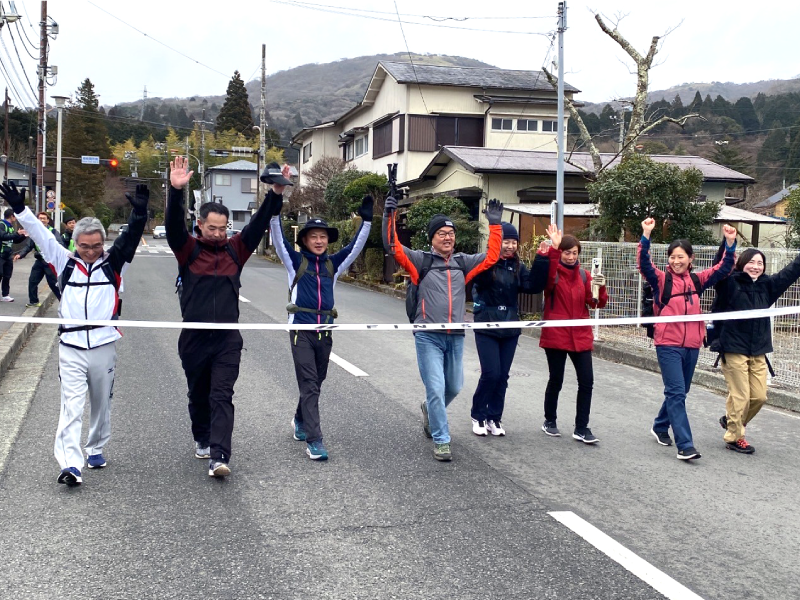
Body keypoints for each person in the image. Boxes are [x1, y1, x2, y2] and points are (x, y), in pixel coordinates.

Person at [0, 180, 148, 486]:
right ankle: (70, 464)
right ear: (75, 243)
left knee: (101, 402)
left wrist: (140, 213)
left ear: (103, 243)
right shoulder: (63, 261)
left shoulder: (113, 263)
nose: (92, 251)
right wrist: (19, 209)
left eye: (96, 246)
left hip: (104, 344)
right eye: (85, 246)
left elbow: (131, 237)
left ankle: (95, 446)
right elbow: (40, 235)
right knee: (71, 405)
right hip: (70, 345)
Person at [166, 156, 284, 478]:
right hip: (193, 338)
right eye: (212, 228)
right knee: (198, 394)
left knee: (222, 394)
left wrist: (274, 193)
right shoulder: (188, 250)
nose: (218, 234)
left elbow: (258, 223)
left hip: (227, 340)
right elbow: (173, 227)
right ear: (200, 225)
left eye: (223, 228)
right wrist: (176, 191)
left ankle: (218, 456)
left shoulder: (236, 250)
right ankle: (202, 437)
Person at [383, 196, 504, 461]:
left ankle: (429, 410)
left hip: (456, 336)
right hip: (428, 336)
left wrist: (495, 226)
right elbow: (393, 246)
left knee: (455, 387)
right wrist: (389, 216)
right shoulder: (420, 261)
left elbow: (492, 256)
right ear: (431, 238)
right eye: (441, 234)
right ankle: (441, 439)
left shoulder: (464, 263)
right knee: (436, 388)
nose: (448, 238)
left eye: (451, 233)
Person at [271, 194, 373, 461]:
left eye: (323, 236)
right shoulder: (295, 262)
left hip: (325, 332)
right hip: (301, 332)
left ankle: (299, 419)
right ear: (304, 240)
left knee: (316, 382)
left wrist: (367, 221)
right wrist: (274, 209)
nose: (318, 241)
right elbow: (279, 240)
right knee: (310, 385)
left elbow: (354, 248)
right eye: (313, 236)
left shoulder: (332, 264)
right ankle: (314, 441)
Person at [638, 218, 737, 460]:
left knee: (681, 391)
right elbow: (644, 264)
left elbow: (723, 269)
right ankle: (685, 444)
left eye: (681, 256)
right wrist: (646, 235)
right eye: (672, 256)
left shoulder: (698, 280)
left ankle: (660, 425)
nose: (676, 261)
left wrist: (730, 243)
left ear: (690, 258)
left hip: (692, 345)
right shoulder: (662, 280)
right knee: (675, 392)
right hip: (667, 344)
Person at [709, 247, 800, 454]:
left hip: (758, 349)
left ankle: (731, 420)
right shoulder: (730, 283)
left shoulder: (768, 286)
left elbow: (791, 272)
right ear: (742, 263)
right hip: (733, 347)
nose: (756, 267)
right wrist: (727, 244)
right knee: (740, 397)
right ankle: (734, 436)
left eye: (760, 263)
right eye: (752, 262)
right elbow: (719, 268)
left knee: (759, 397)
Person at [470, 222, 548, 436]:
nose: (510, 246)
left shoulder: (517, 267)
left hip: (510, 326)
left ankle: (494, 418)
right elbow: (482, 280)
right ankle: (478, 415)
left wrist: (542, 258)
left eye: (513, 242)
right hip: (486, 325)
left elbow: (532, 286)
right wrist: (493, 253)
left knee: (503, 375)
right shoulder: (486, 264)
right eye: (506, 241)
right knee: (491, 373)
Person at [539, 225, 608, 444]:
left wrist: (601, 288)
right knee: (556, 379)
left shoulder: (584, 274)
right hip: (556, 335)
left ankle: (582, 427)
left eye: (574, 253)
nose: (570, 256)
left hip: (580, 335)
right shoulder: (554, 273)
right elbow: (547, 280)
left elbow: (596, 303)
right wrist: (554, 249)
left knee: (587, 381)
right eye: (567, 252)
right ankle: (549, 420)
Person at [14, 211, 65, 307]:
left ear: (48, 220)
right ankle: (34, 301)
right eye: (40, 218)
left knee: (54, 284)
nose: (42, 220)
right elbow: (28, 246)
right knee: (32, 281)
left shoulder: (53, 232)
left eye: (44, 218)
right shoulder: (35, 233)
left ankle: (64, 304)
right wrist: (20, 255)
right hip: (39, 261)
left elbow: (60, 245)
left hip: (50, 262)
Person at [0, 207, 27, 302]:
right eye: (15, 216)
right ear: (12, 216)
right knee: (0, 273)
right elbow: (3, 236)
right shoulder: (2, 224)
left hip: (8, 255)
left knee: (7, 275)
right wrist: (17, 233)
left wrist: (23, 236)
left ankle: (5, 295)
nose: (16, 218)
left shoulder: (10, 226)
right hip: (1, 253)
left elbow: (14, 240)